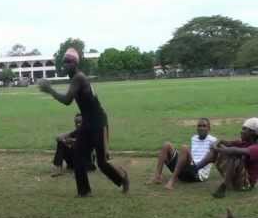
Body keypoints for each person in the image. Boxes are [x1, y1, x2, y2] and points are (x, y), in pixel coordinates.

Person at [38, 47, 129, 197]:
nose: (65, 65)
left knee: (102, 163)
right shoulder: (76, 78)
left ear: (75, 63)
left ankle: (123, 179)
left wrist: (50, 91)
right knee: (78, 156)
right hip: (88, 123)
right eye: (64, 62)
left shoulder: (79, 78)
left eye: (68, 62)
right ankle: (84, 191)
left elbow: (67, 100)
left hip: (98, 123)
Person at [194, 117, 258, 198]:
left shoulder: (256, 148)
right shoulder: (243, 143)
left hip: (246, 184)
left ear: (253, 132)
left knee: (234, 156)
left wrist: (217, 148)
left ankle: (224, 186)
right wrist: (216, 146)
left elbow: (233, 151)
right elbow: (222, 141)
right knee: (219, 152)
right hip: (237, 180)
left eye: (244, 129)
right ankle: (194, 169)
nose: (241, 131)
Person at [148, 118, 217, 190]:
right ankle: (157, 177)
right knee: (166, 145)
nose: (201, 128)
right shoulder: (194, 138)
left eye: (204, 126)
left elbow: (216, 156)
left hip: (198, 173)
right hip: (188, 169)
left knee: (184, 148)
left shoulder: (213, 140)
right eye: (199, 126)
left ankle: (172, 181)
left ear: (209, 128)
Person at [51, 113, 96, 177]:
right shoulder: (76, 132)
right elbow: (58, 137)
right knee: (61, 143)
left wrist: (71, 140)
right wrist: (65, 138)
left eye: (80, 122)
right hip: (73, 163)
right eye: (76, 122)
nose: (78, 124)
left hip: (86, 164)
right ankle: (59, 169)